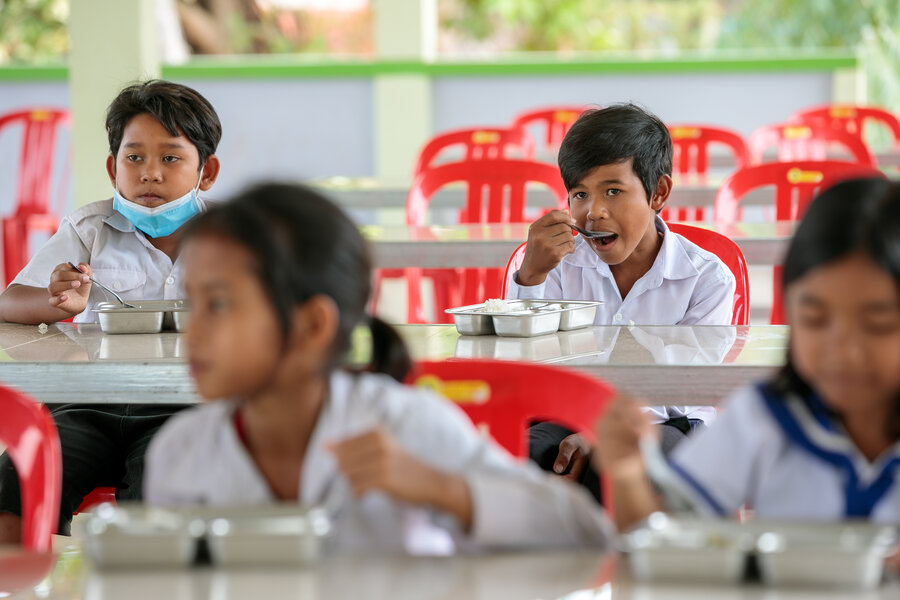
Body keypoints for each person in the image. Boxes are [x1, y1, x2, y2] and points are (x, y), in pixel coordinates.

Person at [144, 182, 614, 554]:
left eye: (219, 304)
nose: (194, 332)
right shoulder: (179, 453)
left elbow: (580, 530)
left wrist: (444, 490)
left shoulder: (408, 426)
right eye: (192, 302)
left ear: (311, 326)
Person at [595, 177, 900, 533]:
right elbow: (664, 541)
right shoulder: (763, 418)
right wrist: (628, 475)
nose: (843, 351)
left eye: (878, 324)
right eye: (815, 320)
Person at [0, 79, 222, 542]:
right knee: (14, 487)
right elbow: (10, 302)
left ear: (207, 172)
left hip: (183, 410)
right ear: (112, 167)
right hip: (85, 405)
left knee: (164, 511)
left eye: (171, 157)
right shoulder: (89, 228)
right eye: (134, 157)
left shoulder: (234, 238)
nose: (150, 173)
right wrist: (56, 300)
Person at [506, 104, 735, 496]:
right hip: (567, 412)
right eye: (580, 193)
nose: (593, 212)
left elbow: (684, 387)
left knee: (619, 465)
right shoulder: (552, 266)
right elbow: (523, 370)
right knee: (518, 459)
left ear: (658, 193)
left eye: (613, 191)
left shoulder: (706, 279)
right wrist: (531, 277)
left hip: (668, 421)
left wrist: (601, 433)